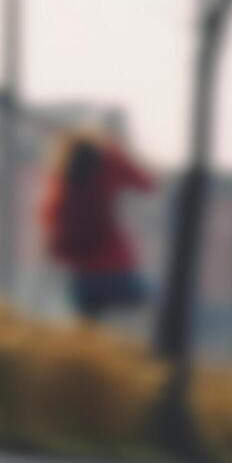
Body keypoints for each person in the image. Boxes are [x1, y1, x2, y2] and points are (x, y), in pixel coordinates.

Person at [41, 132, 155, 322]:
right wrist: (116, 152)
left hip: (80, 271)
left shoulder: (61, 177)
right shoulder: (108, 165)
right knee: (158, 301)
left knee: (88, 328)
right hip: (115, 267)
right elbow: (146, 183)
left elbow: (48, 217)